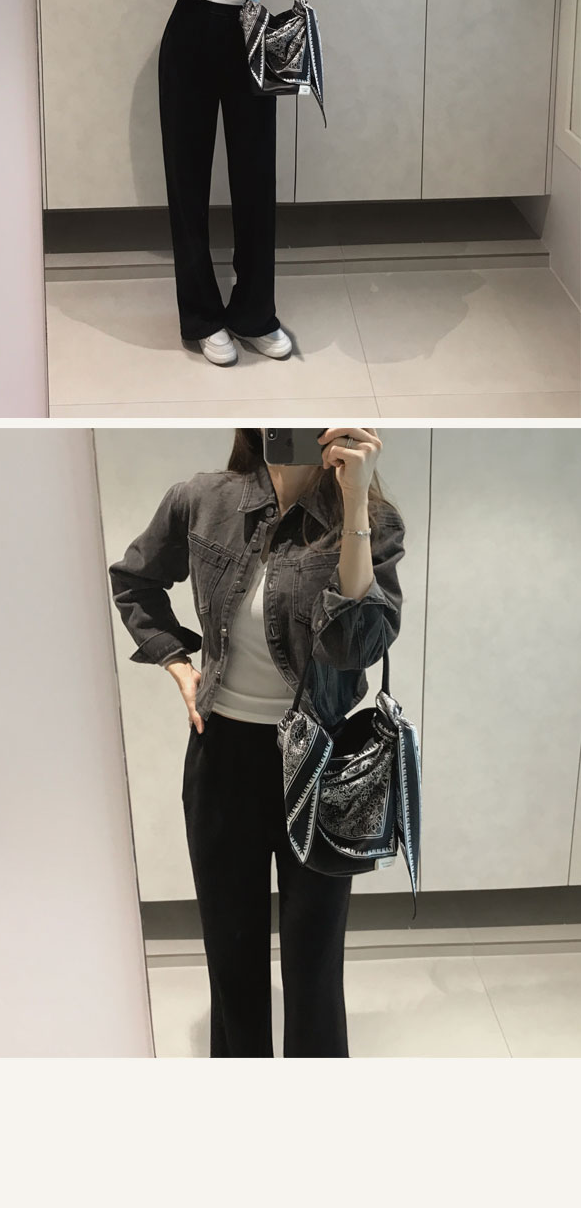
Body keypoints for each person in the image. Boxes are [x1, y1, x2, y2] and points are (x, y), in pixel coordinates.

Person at [111, 421, 405, 1057]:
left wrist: (354, 501)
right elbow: (134, 580)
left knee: (314, 964)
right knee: (232, 956)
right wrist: (177, 663)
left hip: (320, 761)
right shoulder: (201, 499)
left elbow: (359, 644)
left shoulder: (371, 518)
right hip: (223, 758)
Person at [81, 0, 294, 361]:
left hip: (247, 33)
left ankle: (254, 313)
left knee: (255, 182)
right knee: (187, 180)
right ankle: (201, 316)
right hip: (190, 31)